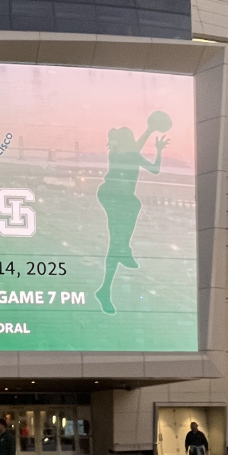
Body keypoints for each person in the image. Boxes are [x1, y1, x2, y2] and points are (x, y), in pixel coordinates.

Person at [95, 110, 172, 314]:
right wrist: (159, 151)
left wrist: (148, 130)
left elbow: (134, 148)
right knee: (116, 242)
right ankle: (106, 287)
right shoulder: (131, 154)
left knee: (132, 210)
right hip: (116, 198)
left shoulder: (119, 152)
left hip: (115, 197)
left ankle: (123, 250)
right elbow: (154, 169)